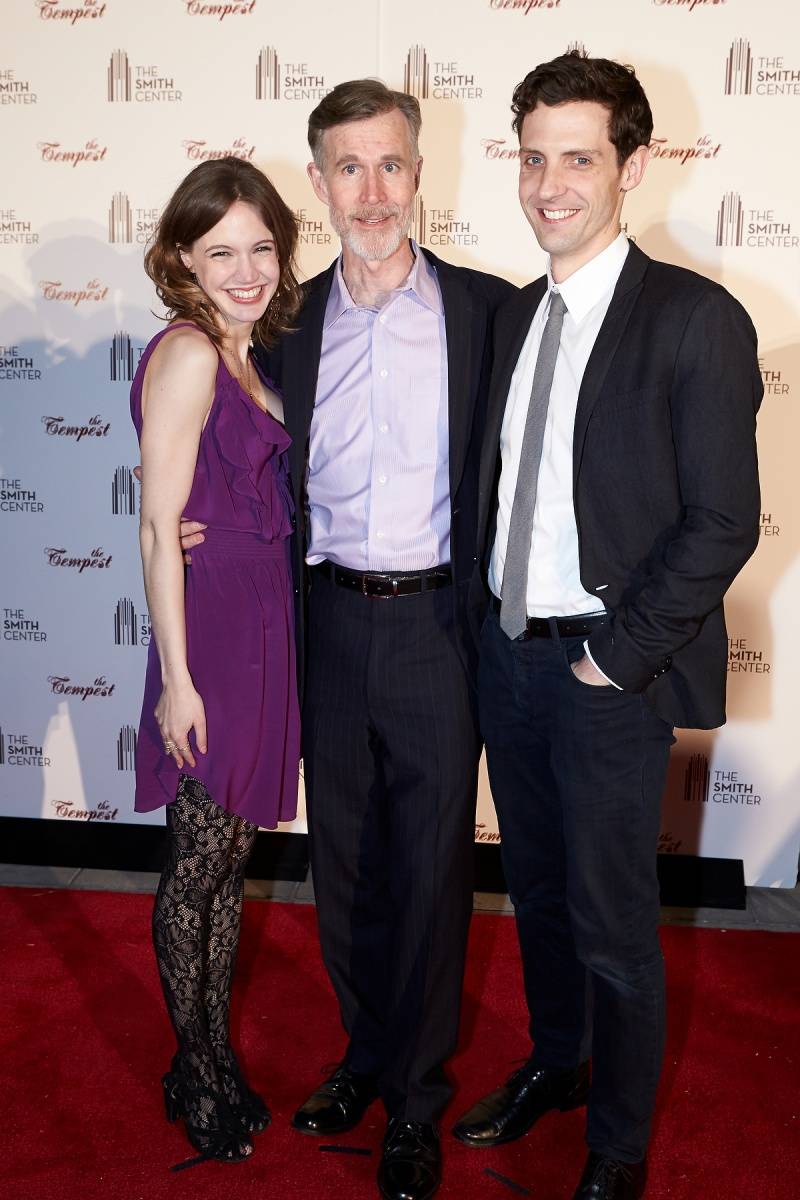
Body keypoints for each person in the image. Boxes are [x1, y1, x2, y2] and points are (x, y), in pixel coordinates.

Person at [181, 79, 514, 1200]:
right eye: (346, 168)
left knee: (427, 875)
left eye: (390, 164)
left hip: (434, 626)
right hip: (319, 623)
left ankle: (415, 1099)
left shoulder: (488, 313)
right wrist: (198, 522)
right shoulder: (285, 326)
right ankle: (363, 1058)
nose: (370, 190)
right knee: (348, 867)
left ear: (419, 173)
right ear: (316, 182)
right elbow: (224, 442)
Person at [453, 51, 762, 1200]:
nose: (548, 184)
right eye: (532, 158)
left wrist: (612, 659)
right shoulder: (511, 316)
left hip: (604, 678)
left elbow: (723, 518)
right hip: (504, 657)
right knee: (530, 890)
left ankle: (618, 1146)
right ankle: (555, 1061)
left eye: (576, 158)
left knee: (611, 921)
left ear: (629, 166)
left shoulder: (693, 319)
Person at [132, 157, 302, 1163]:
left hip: (262, 630)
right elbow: (158, 528)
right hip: (214, 645)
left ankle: (210, 1053)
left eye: (261, 248)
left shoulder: (253, 355)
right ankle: (195, 1070)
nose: (245, 270)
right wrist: (179, 679)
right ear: (185, 262)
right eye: (221, 252)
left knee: (228, 866)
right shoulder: (193, 353)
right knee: (194, 869)